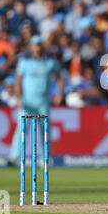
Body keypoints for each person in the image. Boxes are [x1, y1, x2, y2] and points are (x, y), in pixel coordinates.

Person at [8, 35, 64, 165]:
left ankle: (45, 159)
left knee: (44, 130)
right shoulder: (24, 63)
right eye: (34, 45)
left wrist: (59, 94)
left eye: (39, 45)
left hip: (43, 102)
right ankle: (14, 157)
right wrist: (18, 97)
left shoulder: (50, 63)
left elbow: (59, 78)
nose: (37, 48)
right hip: (27, 102)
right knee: (22, 129)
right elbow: (17, 82)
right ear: (31, 47)